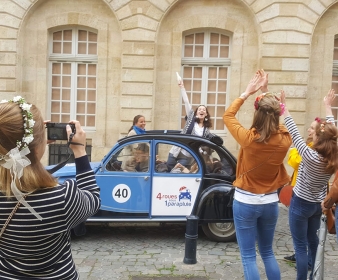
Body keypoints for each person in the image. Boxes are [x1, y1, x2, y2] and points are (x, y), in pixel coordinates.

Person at [0, 96, 100, 279]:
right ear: (36, 147)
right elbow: (93, 198)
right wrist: (79, 150)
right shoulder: (62, 198)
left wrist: (33, 145)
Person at [223, 69, 292, 280]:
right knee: (268, 253)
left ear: (257, 113)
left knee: (248, 256)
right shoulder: (284, 140)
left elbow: (228, 115)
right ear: (277, 112)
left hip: (245, 201)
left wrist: (247, 92)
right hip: (270, 202)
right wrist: (268, 94)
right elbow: (280, 123)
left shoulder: (248, 138)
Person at [281, 88, 338, 280]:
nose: (310, 132)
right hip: (317, 205)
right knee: (313, 241)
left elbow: (293, 131)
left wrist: (283, 107)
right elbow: (333, 133)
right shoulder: (333, 155)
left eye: (314, 130)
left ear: (318, 138)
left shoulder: (310, 155)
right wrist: (328, 108)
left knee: (300, 246)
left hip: (300, 204)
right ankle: (316, 277)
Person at [166, 80, 212, 170]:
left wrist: (209, 158)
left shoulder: (206, 131)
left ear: (206, 114)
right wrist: (182, 88)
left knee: (178, 172)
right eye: (199, 109)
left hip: (187, 156)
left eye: (203, 110)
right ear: (196, 113)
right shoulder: (191, 119)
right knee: (169, 168)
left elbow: (205, 146)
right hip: (176, 150)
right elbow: (186, 102)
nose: (201, 111)